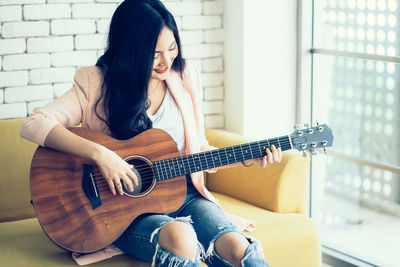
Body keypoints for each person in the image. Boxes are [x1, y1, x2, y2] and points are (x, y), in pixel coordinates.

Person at [20, 0, 282, 266]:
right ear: (130, 50)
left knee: (238, 248)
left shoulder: (185, 77)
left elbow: (198, 150)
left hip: (185, 195)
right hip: (121, 208)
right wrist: (102, 155)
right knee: (182, 238)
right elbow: (34, 123)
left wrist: (249, 157)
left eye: (172, 48)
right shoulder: (96, 82)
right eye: (154, 53)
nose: (166, 61)